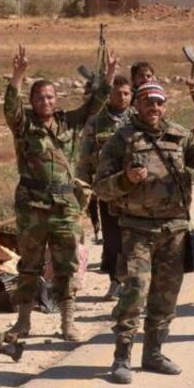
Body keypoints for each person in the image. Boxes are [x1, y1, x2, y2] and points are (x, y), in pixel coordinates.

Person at [94, 82, 194, 384]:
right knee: (135, 292)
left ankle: (153, 353)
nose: (154, 108)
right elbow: (101, 188)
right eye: (147, 102)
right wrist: (126, 179)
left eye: (159, 102)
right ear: (136, 106)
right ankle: (121, 357)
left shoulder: (178, 136)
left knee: (166, 296)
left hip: (174, 230)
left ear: (165, 105)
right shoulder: (122, 140)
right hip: (137, 230)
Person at [4, 44, 115, 341]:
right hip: (32, 206)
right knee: (29, 265)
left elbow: (95, 106)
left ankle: (68, 323)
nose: (45, 101)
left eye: (50, 97)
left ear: (56, 100)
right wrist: (17, 76)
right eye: (40, 97)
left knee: (66, 266)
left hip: (65, 205)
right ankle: (23, 322)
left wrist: (110, 77)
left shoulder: (68, 122)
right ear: (32, 100)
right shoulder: (24, 126)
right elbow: (10, 108)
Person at [78, 74, 133, 299]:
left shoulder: (137, 120)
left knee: (134, 237)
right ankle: (115, 280)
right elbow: (84, 159)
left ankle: (134, 281)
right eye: (117, 93)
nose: (122, 97)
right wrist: (83, 189)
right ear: (109, 95)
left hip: (134, 191)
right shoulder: (95, 122)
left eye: (126, 93)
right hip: (108, 191)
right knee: (112, 239)